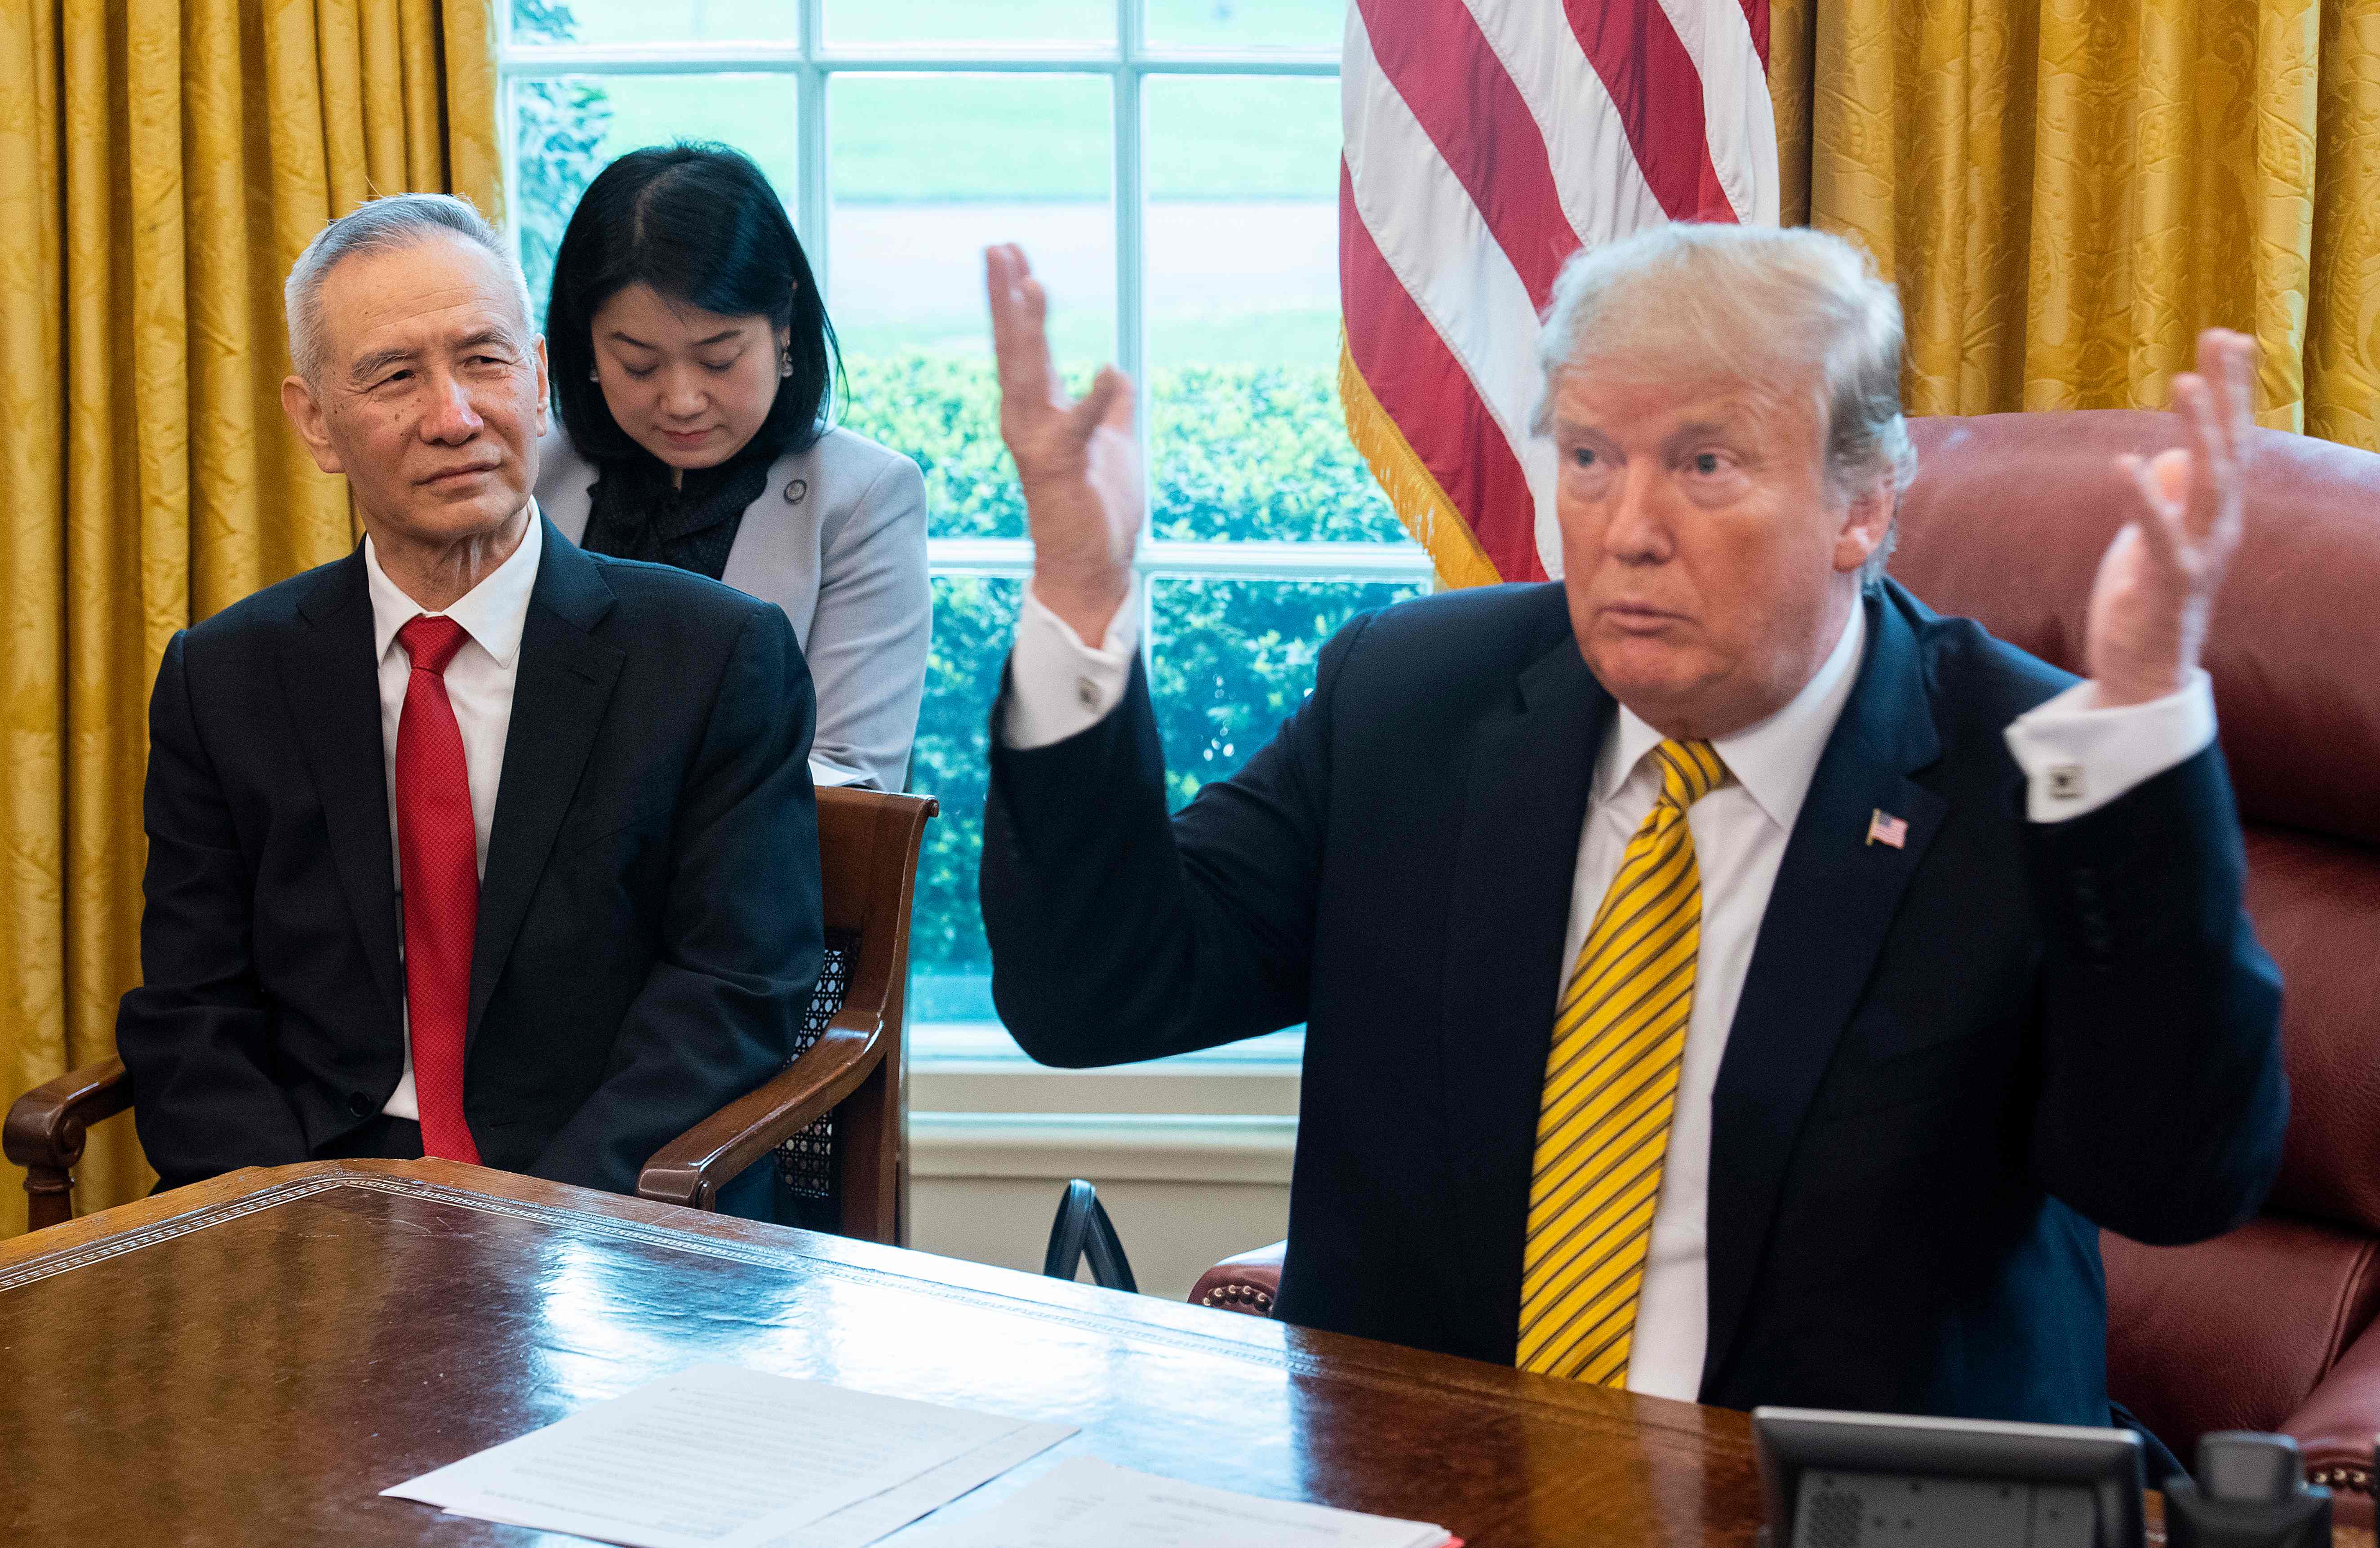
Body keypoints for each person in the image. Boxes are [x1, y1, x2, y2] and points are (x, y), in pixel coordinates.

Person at [976, 226, 2286, 1429]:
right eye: (1591, 458)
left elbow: (2174, 1178)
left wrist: (2141, 733)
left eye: (1705, 464)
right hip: (1436, 1490)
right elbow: (1096, 992)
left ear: (1863, 506)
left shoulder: (2030, 769)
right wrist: (1084, 594)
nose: (1628, 532)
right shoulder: (1411, 701)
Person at [115, 193, 821, 1221]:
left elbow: (733, 993)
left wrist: (537, 1219)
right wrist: (281, 1224)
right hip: (320, 1202)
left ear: (537, 382)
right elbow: (192, 1011)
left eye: (484, 361)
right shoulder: (223, 678)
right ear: (314, 421)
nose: (454, 417)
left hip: (603, 1202)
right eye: (396, 377)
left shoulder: (715, 656)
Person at [535, 143, 929, 792]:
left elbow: (853, 781)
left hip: (754, 883)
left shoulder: (862, 497)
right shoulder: (529, 472)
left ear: (783, 326)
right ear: (587, 346)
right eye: (639, 364)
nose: (682, 401)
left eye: (718, 359)